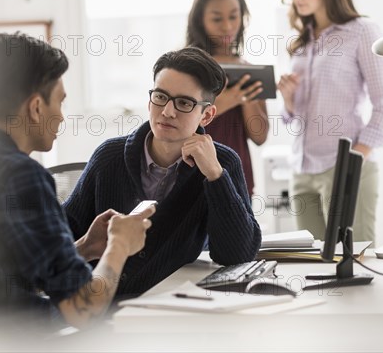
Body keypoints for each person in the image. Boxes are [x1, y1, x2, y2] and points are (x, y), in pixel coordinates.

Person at [0, 33, 155, 330]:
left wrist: (84, 248)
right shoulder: (24, 177)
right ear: (36, 107)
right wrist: (119, 244)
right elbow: (84, 309)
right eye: (60, 103)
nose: (62, 118)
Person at [63, 47, 261, 297]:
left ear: (207, 115)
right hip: (102, 306)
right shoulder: (108, 157)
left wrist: (215, 175)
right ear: (150, 100)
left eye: (184, 103)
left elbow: (238, 255)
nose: (167, 111)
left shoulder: (222, 163)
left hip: (175, 308)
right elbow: (60, 238)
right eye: (160, 97)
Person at [278, 0, 383, 243]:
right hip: (302, 170)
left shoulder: (362, 31)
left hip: (343, 166)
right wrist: (289, 100)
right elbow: (293, 116)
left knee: (354, 259)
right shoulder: (302, 42)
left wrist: (354, 159)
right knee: (312, 266)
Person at [186, 0, 269, 197]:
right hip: (192, 179)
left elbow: (260, 137)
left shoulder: (250, 71)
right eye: (217, 18)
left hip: (237, 179)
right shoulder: (185, 66)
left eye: (233, 16)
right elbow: (179, 121)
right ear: (200, 20)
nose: (227, 26)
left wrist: (247, 99)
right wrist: (230, 98)